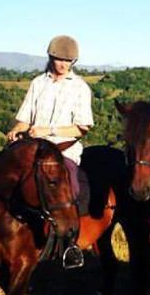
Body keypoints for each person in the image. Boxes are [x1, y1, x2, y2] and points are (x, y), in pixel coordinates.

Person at [6, 34, 94, 268]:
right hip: (34, 149)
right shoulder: (38, 83)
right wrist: (16, 130)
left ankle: (70, 244)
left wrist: (49, 129)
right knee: (5, 180)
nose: (63, 64)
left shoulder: (80, 88)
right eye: (59, 59)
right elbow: (25, 118)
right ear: (50, 57)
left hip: (63, 150)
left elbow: (81, 128)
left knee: (72, 188)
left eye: (68, 60)